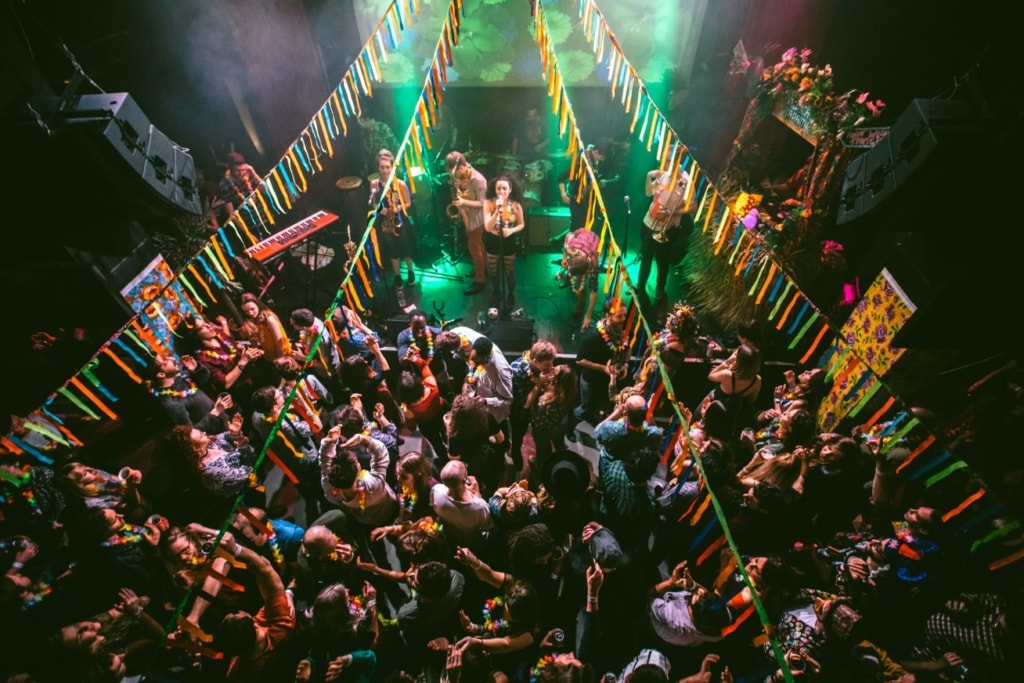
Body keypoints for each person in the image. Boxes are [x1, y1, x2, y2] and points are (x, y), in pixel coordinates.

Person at [215, 531, 297, 682]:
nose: (238, 611)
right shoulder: (281, 621)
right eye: (236, 614)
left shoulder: (241, 674)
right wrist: (235, 549)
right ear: (254, 623)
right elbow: (265, 568)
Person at [637, 167, 695, 302]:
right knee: (646, 257)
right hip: (649, 223)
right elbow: (648, 193)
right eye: (667, 160)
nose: (667, 164)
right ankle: (640, 286)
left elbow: (693, 206)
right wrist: (648, 176)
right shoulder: (662, 174)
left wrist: (673, 213)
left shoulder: (686, 181)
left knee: (662, 261)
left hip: (668, 228)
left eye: (670, 161)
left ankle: (660, 288)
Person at [573, 301, 630, 431]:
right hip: (591, 381)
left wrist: (625, 364)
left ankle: (595, 420)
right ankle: (571, 428)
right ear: (608, 316)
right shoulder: (593, 336)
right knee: (584, 408)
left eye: (624, 315)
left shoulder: (623, 331)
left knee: (600, 406)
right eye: (619, 316)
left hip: (609, 382)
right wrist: (603, 368)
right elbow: (579, 360)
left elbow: (627, 348)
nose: (623, 319)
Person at [369, 148, 417, 291]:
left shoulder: (400, 184)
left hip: (400, 220)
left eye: (387, 167)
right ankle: (397, 275)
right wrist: (379, 210)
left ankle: (410, 271)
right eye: (382, 167)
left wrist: (398, 208)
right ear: (378, 167)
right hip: (384, 223)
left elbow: (408, 203)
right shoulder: (374, 184)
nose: (384, 170)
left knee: (405, 248)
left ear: (392, 167)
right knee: (392, 249)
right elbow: (371, 203)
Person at [445, 151, 488, 295]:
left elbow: (483, 203)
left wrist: (463, 202)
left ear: (462, 167)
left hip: (477, 219)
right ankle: (482, 269)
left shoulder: (478, 180)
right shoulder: (459, 176)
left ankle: (480, 281)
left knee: (474, 249)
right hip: (467, 216)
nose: (454, 176)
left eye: (455, 172)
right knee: (479, 245)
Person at [482, 175, 526, 311]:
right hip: (492, 241)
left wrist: (511, 230)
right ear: (494, 189)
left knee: (509, 270)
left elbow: (521, 224)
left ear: (510, 189)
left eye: (504, 188)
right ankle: (496, 292)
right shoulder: (488, 203)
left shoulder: (516, 205)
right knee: (493, 270)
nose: (501, 191)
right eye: (498, 188)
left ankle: (511, 293)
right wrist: (497, 210)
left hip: (508, 241)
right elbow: (487, 227)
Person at [558, 143, 608, 231]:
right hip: (575, 199)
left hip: (585, 201)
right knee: (577, 227)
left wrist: (599, 184)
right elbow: (561, 177)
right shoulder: (580, 166)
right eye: (602, 157)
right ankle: (562, 240)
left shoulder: (593, 165)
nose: (602, 160)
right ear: (595, 152)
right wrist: (563, 194)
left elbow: (591, 182)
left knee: (584, 226)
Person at [235, 292, 292, 364]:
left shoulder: (269, 319)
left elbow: (280, 344)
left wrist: (279, 362)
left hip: (283, 359)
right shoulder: (253, 321)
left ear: (258, 304)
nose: (250, 313)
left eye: (252, 309)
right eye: (246, 311)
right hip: (270, 358)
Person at [215, 151, 262, 220]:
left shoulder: (249, 173)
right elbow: (232, 215)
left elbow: (267, 191)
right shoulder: (224, 185)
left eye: (242, 170)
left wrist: (254, 174)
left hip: (267, 218)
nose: (241, 173)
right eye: (237, 170)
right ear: (230, 169)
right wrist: (245, 230)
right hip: (248, 225)